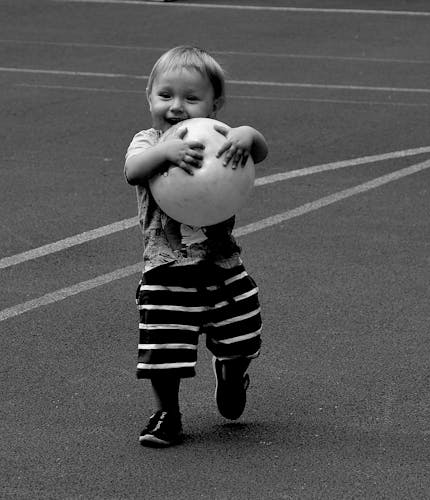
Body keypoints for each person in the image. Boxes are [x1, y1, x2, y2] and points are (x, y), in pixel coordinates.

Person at [124, 46, 269, 447]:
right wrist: (165, 152)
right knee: (162, 347)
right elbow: (132, 171)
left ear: (214, 104)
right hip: (166, 268)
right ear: (149, 96)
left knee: (243, 331)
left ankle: (232, 370)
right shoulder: (148, 141)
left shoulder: (222, 139)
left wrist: (248, 134)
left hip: (222, 264)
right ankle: (166, 413)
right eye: (165, 95)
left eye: (191, 98)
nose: (176, 107)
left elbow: (259, 148)